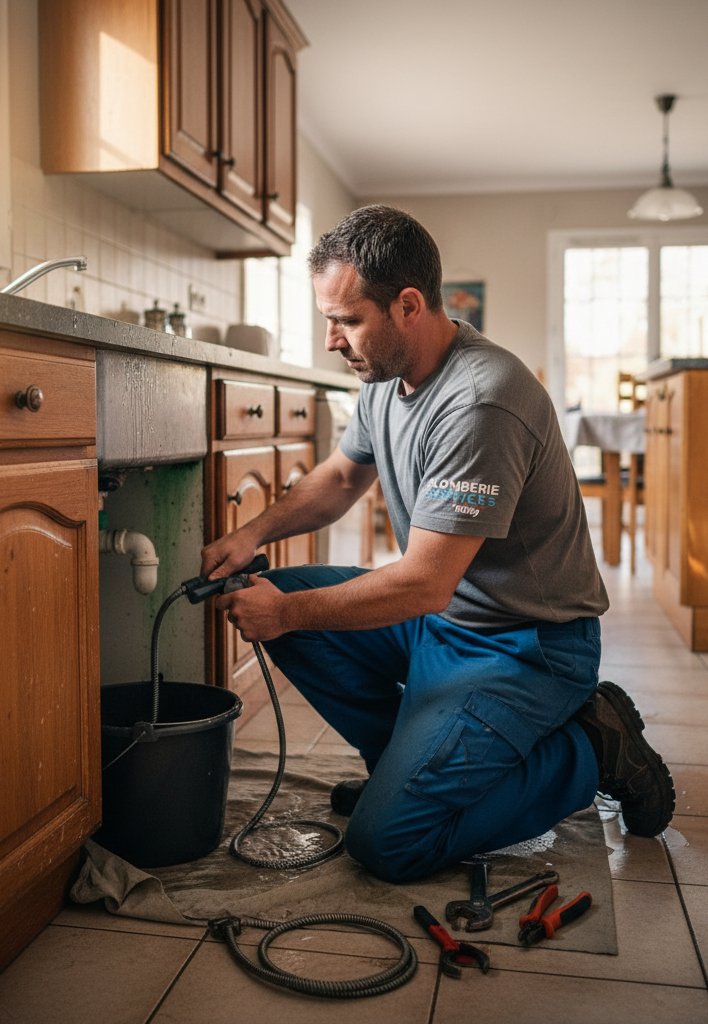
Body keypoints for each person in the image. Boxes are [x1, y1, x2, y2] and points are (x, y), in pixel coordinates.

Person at [200, 205, 675, 884]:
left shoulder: (481, 401)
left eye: (346, 320)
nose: (331, 340)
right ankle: (404, 766)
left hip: (525, 645)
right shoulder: (385, 378)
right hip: (443, 622)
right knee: (278, 596)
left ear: (408, 305)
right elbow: (341, 478)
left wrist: (286, 612)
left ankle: (591, 749)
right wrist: (251, 533)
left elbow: (424, 583)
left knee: (388, 843)